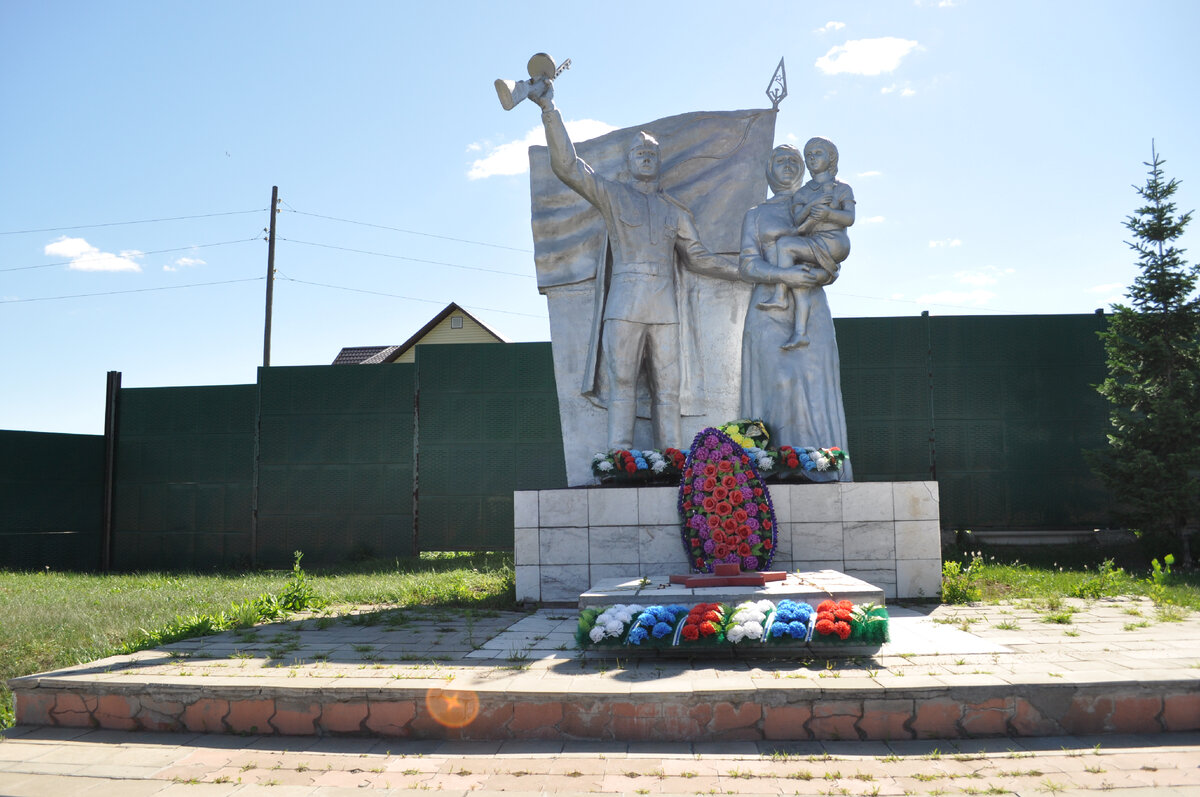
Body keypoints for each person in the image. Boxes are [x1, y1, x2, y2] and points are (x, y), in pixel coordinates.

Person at [527, 78, 736, 451]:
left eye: (652, 153)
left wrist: (742, 270)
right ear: (628, 162)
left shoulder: (674, 211)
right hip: (624, 305)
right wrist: (549, 110)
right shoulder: (614, 195)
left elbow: (699, 257)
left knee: (667, 389)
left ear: (659, 163)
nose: (646, 156)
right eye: (639, 152)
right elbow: (569, 168)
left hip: (665, 308)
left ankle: (672, 461)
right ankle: (618, 458)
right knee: (621, 383)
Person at [738, 144, 854, 481]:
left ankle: (820, 467)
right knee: (780, 382)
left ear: (804, 168)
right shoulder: (756, 214)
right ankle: (771, 467)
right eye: (779, 159)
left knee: (812, 383)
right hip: (768, 307)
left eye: (794, 160)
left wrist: (821, 274)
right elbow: (747, 264)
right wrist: (784, 275)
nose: (787, 165)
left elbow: (834, 255)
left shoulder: (819, 201)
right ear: (768, 170)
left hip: (811, 305)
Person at [755, 138, 854, 349]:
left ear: (831, 157)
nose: (812, 158)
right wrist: (812, 206)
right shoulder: (803, 193)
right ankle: (800, 331)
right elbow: (798, 220)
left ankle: (781, 296)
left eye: (818, 153)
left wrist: (829, 213)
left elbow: (850, 218)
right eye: (809, 154)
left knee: (785, 246)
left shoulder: (842, 188)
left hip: (835, 242)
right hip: (814, 241)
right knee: (800, 274)